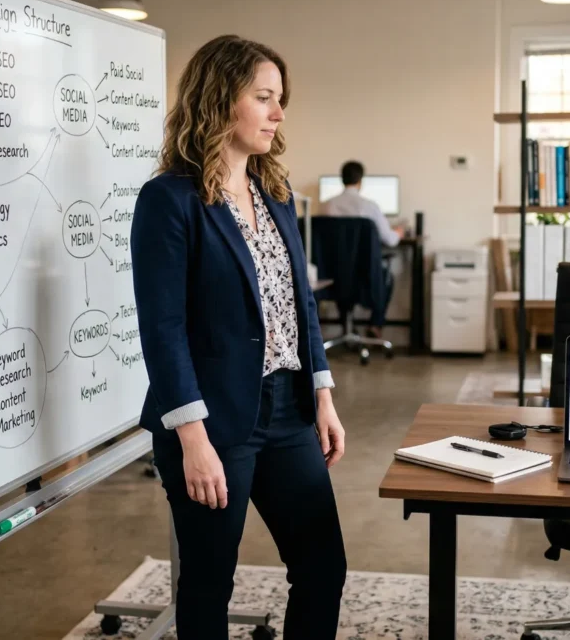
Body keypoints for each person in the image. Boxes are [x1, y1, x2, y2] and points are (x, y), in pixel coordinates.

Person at [130, 34, 348, 639]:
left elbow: (300, 303)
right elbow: (163, 327)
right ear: (222, 99)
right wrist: (192, 439)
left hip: (287, 410)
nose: (279, 113)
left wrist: (322, 395)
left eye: (281, 99)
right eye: (264, 97)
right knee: (208, 584)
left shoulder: (274, 193)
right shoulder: (168, 200)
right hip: (210, 422)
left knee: (323, 567)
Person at [323, 160, 404, 337]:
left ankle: (347, 327)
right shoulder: (369, 206)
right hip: (364, 274)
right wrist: (398, 232)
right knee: (387, 277)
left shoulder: (327, 205)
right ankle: (376, 324)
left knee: (342, 279)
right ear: (361, 181)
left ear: (341, 179)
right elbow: (390, 241)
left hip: (333, 274)